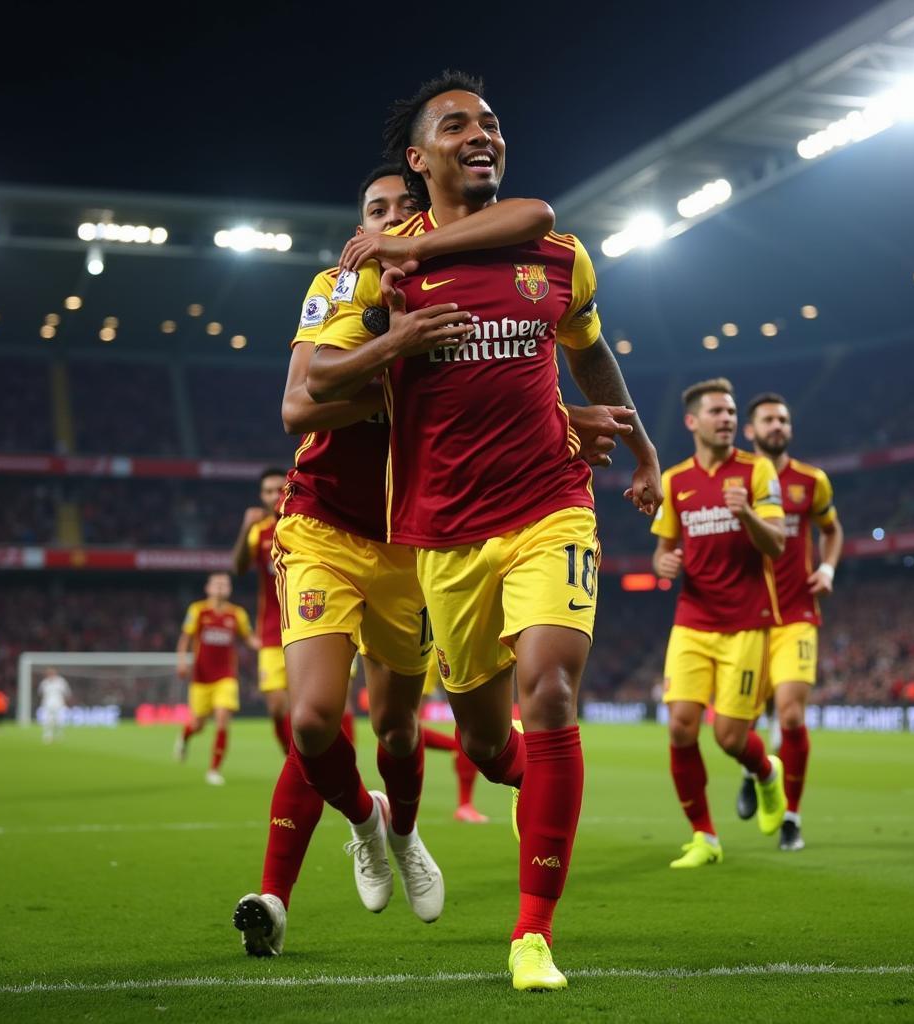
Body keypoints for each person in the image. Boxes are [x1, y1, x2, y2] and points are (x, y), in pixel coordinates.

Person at [305, 73, 662, 991]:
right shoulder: (377, 270)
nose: (482, 133)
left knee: (550, 690)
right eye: (457, 124)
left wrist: (647, 451)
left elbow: (592, 354)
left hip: (551, 504)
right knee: (492, 746)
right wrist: (388, 337)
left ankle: (531, 936)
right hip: (445, 533)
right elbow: (311, 390)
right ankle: (525, 787)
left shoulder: (555, 253)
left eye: (492, 122)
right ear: (417, 159)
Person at [234, 162, 630, 963]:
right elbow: (297, 405)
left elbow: (502, 384)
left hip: (416, 539)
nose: (382, 225)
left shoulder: (470, 281)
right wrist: (399, 366)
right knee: (313, 718)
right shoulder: (348, 289)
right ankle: (345, 842)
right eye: (370, 211)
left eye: (399, 214)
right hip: (323, 526)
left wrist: (565, 416)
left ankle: (411, 833)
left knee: (400, 727)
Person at [650, 378, 787, 868]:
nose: (728, 419)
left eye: (731, 412)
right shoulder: (675, 480)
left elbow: (777, 545)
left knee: (730, 737)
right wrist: (662, 565)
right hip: (692, 619)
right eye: (718, 412)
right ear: (693, 421)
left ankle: (767, 773)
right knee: (681, 729)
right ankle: (704, 837)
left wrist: (747, 513)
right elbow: (664, 550)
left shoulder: (757, 469)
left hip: (746, 621)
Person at [734, 393, 843, 851]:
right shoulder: (733, 481)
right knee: (738, 723)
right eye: (768, 420)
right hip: (744, 614)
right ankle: (755, 770)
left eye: (783, 419)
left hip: (797, 613)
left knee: (792, 715)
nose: (777, 425)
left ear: (789, 429)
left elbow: (831, 529)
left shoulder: (810, 481)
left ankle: (792, 819)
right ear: (751, 431)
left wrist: (828, 568)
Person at [231, 466, 298, 755]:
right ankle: (294, 762)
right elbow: (239, 567)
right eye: (268, 491)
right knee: (276, 708)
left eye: (279, 489)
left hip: (308, 624)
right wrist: (245, 527)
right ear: (261, 495)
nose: (274, 495)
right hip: (271, 632)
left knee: (319, 707)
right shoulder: (259, 531)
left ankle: (330, 768)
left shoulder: (302, 523)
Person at [174, 572, 258, 785]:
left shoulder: (237, 614)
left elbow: (249, 639)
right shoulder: (198, 610)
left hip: (226, 677)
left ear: (229, 589)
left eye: (225, 584)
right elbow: (185, 638)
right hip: (201, 677)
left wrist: (270, 645)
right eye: (217, 583)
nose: (221, 587)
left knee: (222, 719)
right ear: (208, 588)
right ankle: (184, 738)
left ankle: (214, 770)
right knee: (198, 724)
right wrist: (182, 661)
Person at [420, 657, 487, 823]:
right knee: (401, 727)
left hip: (434, 646)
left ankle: (465, 806)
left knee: (403, 727)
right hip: (429, 645)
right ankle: (462, 748)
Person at [38, 666, 72, 744]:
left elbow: (67, 693)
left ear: (55, 672)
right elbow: (40, 693)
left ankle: (59, 734)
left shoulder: (61, 682)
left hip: (59, 704)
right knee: (47, 721)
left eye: (52, 672)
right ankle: (47, 736)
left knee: (59, 720)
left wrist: (65, 702)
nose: (50, 673)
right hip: (47, 704)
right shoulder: (44, 683)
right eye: (49, 672)